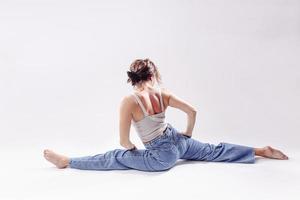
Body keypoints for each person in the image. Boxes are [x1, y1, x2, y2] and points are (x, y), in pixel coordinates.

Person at [43, 58, 288, 171]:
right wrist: (188, 135)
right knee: (215, 150)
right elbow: (193, 111)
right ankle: (259, 151)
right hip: (179, 141)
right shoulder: (164, 94)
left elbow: (123, 142)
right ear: (152, 75)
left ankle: (68, 162)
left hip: (162, 157)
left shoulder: (129, 101)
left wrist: (130, 150)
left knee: (114, 156)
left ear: (133, 78)